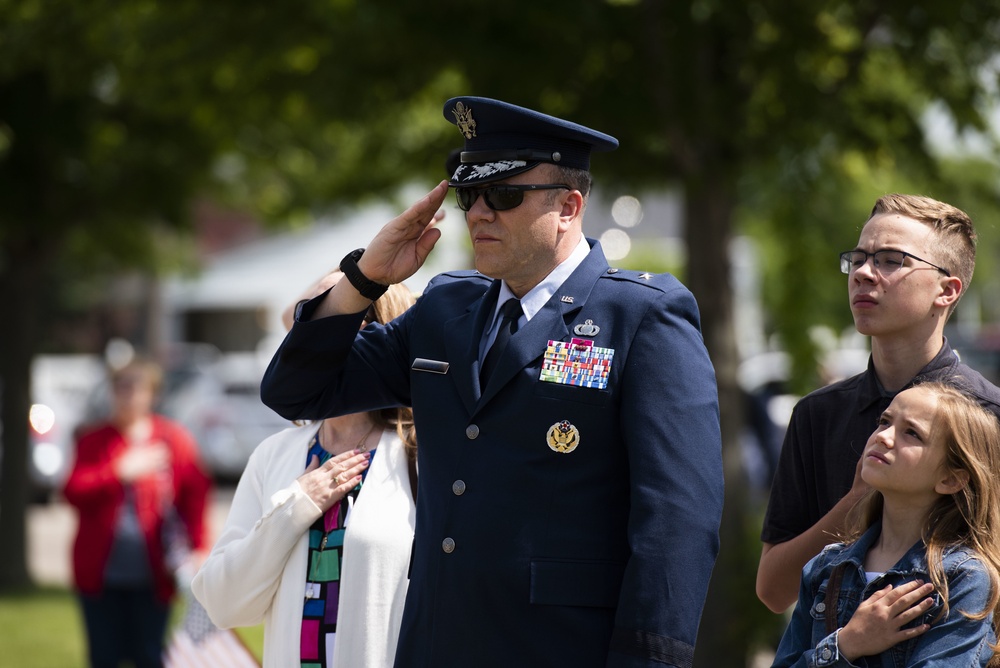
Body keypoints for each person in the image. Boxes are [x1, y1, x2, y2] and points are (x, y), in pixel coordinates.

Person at [260, 96, 723, 667]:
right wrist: (363, 278)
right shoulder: (445, 308)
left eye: (503, 196)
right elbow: (295, 392)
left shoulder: (641, 316)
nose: (479, 213)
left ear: (569, 206)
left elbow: (676, 526)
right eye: (468, 196)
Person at [757, 194, 1000, 613]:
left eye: (891, 260)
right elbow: (774, 591)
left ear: (947, 290)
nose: (864, 274)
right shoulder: (817, 415)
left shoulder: (986, 417)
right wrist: (856, 502)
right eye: (859, 258)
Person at [192, 273, 418, 668]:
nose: (310, 333)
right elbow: (223, 604)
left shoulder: (420, 455)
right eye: (308, 318)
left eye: (334, 314)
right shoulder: (274, 455)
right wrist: (294, 507)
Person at [771, 382, 1000, 666]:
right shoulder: (825, 567)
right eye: (884, 421)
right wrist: (847, 643)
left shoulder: (962, 578)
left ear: (950, 479)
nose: (884, 437)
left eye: (911, 433)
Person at [64, 356, 212, 668]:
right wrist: (117, 472)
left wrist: (199, 547)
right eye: (121, 387)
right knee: (104, 657)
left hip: (155, 573)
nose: (128, 395)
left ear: (151, 394)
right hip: (100, 574)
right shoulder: (94, 440)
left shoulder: (172, 439)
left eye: (136, 387)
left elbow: (196, 494)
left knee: (150, 655)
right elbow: (73, 492)